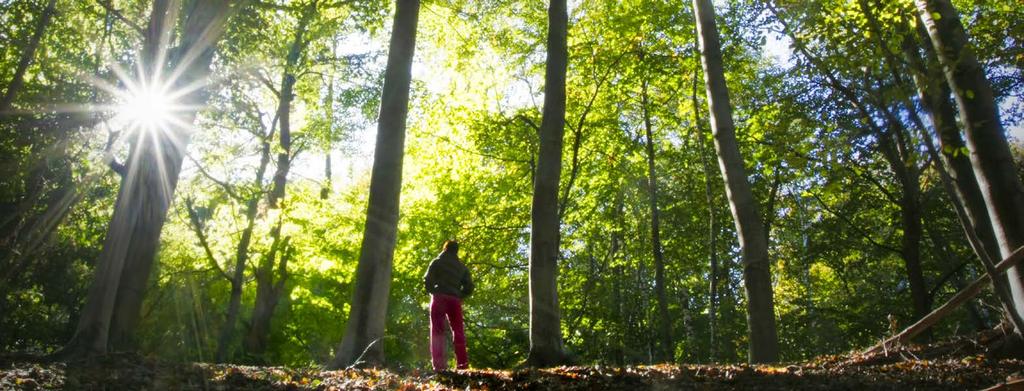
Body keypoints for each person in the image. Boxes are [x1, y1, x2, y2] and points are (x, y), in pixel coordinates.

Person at [423, 240, 474, 371]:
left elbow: (428, 280)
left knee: (437, 331)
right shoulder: (461, 267)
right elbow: (469, 286)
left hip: (439, 297)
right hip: (454, 300)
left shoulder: (437, 262)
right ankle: (462, 365)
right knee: (458, 331)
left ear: (445, 248)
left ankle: (439, 367)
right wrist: (459, 295)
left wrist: (433, 291)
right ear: (456, 251)